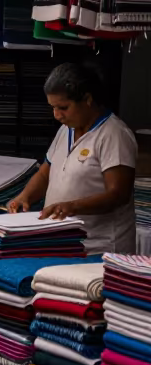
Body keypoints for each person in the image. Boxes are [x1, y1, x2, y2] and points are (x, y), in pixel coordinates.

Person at [8, 62, 137, 253]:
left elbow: (118, 194)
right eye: (52, 107)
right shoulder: (65, 130)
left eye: (63, 107)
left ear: (87, 99)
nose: (57, 115)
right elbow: (45, 174)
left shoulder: (114, 134)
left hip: (100, 247)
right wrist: (24, 197)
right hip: (64, 242)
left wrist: (72, 206)